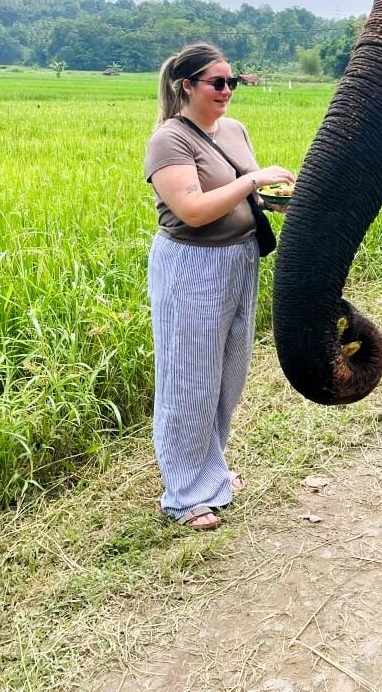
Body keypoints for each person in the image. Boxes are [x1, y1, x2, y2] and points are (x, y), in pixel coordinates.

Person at [144, 43, 294, 530]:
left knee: (228, 373)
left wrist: (275, 199)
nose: (228, 91)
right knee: (188, 379)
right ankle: (184, 494)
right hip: (192, 266)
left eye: (232, 83)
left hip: (240, 260)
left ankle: (212, 470)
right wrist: (253, 180)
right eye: (218, 83)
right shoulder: (170, 140)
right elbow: (193, 209)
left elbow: (239, 194)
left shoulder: (233, 130)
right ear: (188, 86)